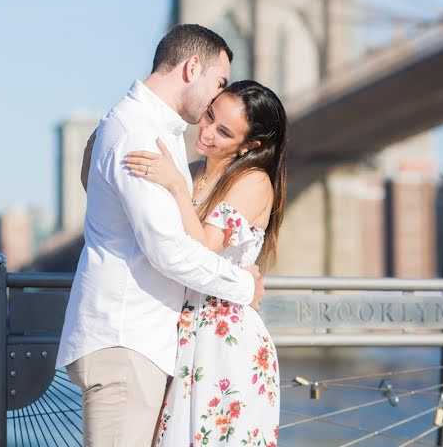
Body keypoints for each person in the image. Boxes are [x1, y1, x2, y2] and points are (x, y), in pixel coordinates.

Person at [57, 24, 265, 447]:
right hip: (125, 340)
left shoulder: (143, 127)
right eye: (219, 83)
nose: (218, 98)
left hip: (140, 341)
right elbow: (167, 249)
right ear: (192, 68)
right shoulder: (138, 133)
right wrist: (246, 284)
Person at [124, 80, 286, 446]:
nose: (208, 132)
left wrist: (177, 188)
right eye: (210, 116)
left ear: (251, 145)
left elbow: (204, 248)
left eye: (224, 132)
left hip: (224, 339)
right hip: (181, 330)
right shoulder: (192, 169)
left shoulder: (253, 180)